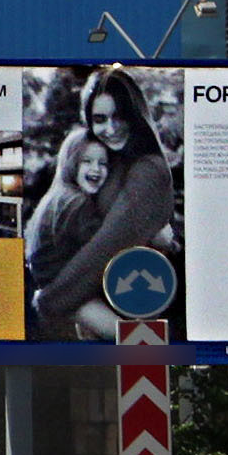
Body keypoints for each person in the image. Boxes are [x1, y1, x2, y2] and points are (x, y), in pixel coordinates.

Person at [30, 68, 176, 341]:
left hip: (131, 298)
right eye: (100, 119)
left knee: (142, 353)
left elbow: (107, 246)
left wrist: (50, 300)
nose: (110, 129)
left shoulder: (147, 169)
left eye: (120, 116)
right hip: (96, 299)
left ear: (136, 115)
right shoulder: (111, 158)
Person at [24, 130, 111, 303]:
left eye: (103, 163)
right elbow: (103, 250)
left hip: (48, 288)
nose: (96, 169)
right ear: (71, 163)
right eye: (86, 161)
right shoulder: (78, 202)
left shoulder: (58, 195)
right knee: (133, 328)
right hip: (63, 296)